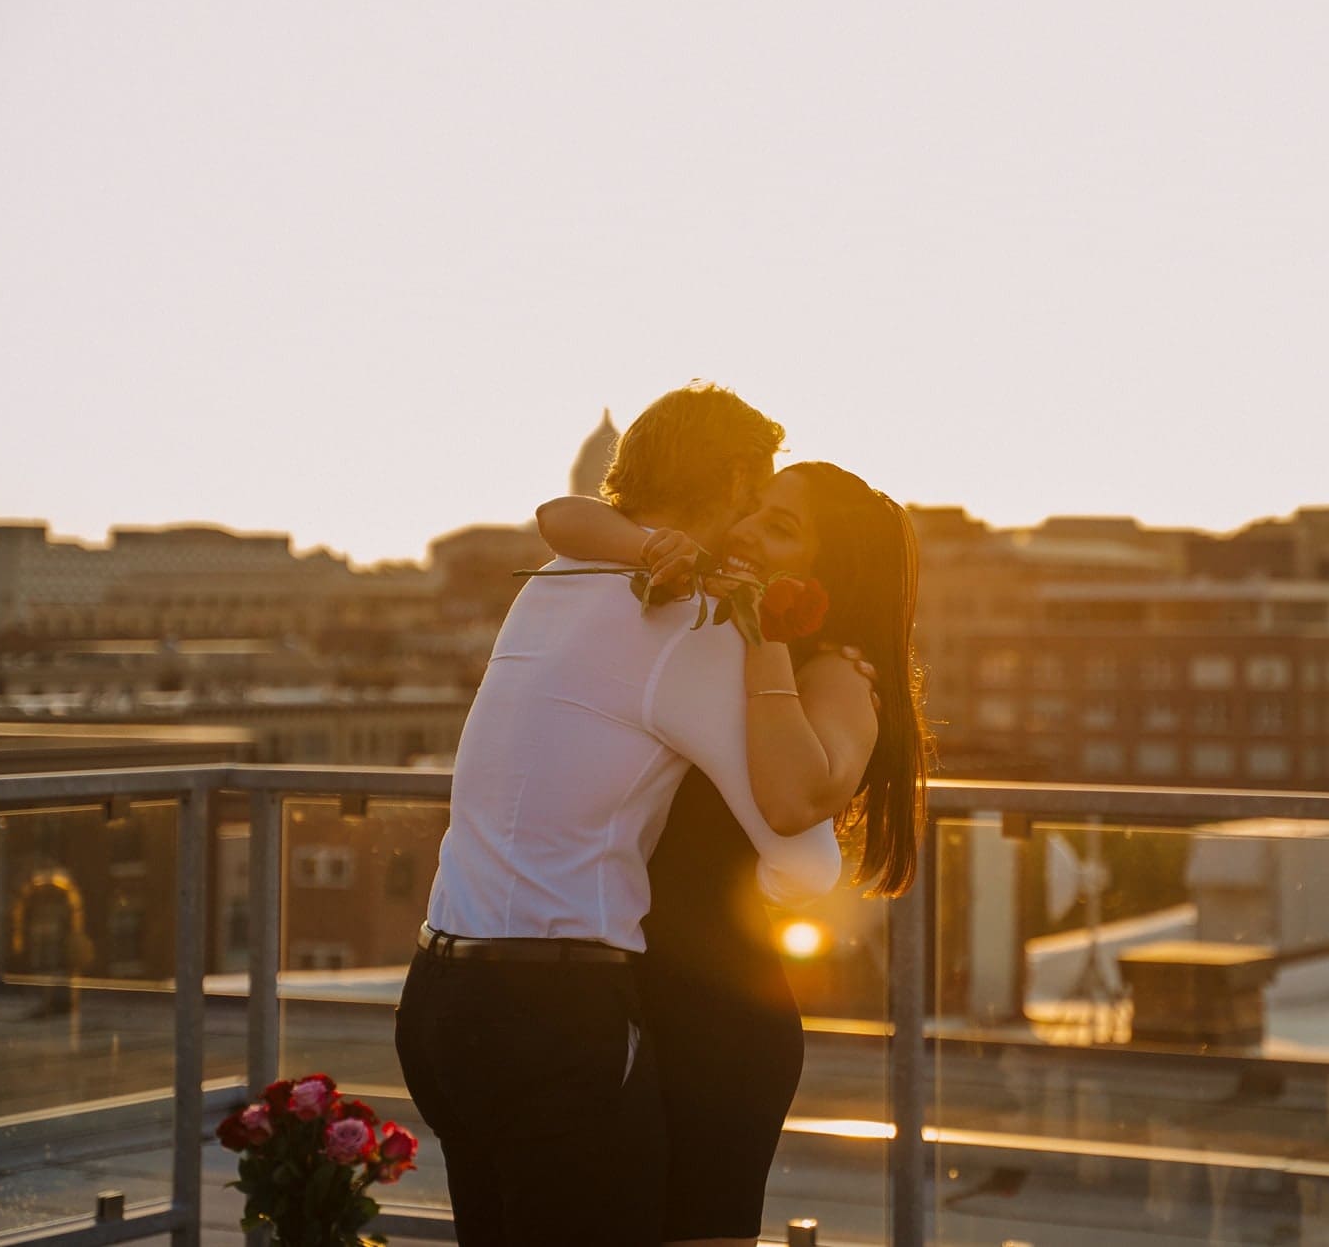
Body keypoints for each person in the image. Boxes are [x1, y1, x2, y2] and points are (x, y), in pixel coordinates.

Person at [394, 385, 842, 1247]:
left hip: (440, 999)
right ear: (742, 477)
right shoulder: (692, 621)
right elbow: (804, 862)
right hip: (554, 1015)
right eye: (764, 491)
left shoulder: (553, 581)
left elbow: (561, 518)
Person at [535, 459, 932, 1246]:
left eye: (781, 526)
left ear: (831, 570)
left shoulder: (842, 674)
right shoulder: (707, 610)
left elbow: (792, 799)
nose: (747, 530)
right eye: (755, 508)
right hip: (630, 1002)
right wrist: (652, 545)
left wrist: (766, 628)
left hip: (719, 1025)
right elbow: (557, 517)